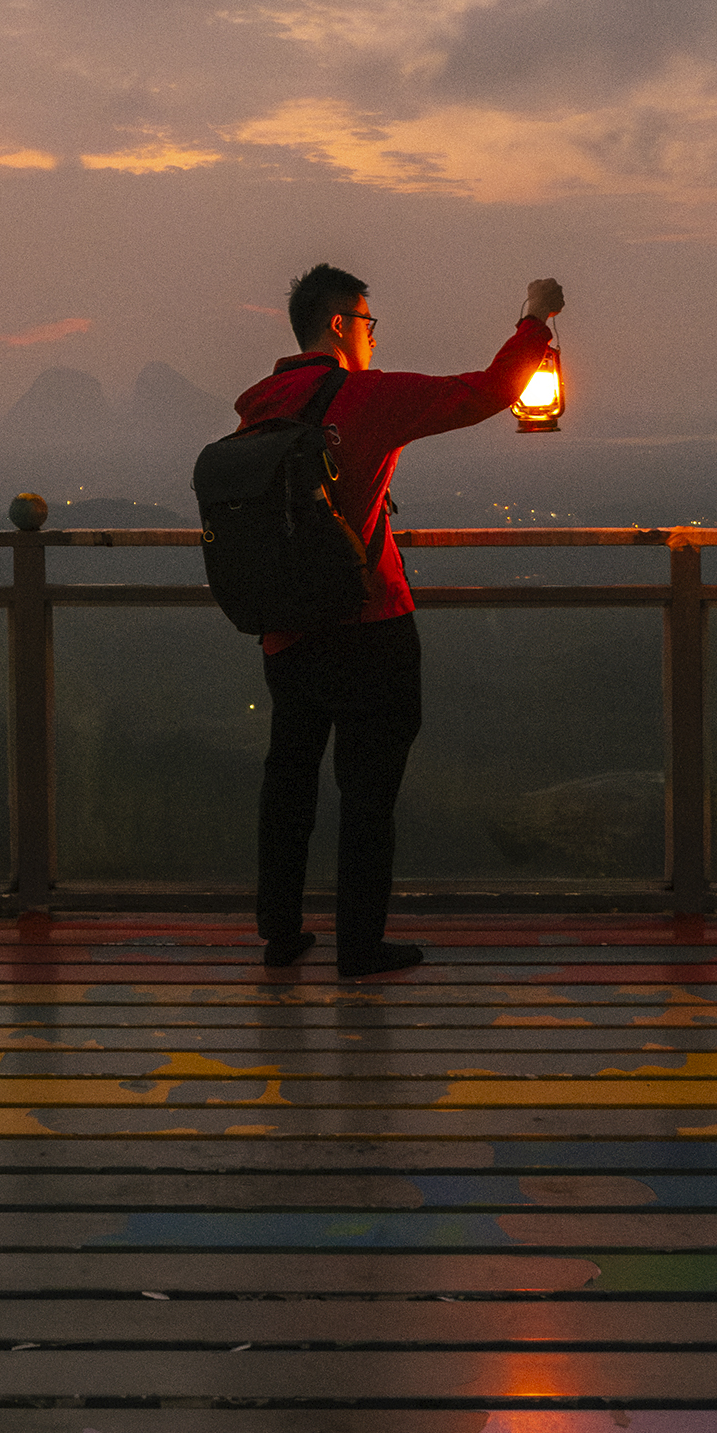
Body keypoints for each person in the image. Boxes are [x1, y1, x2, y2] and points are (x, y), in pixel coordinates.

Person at [236, 266, 565, 980]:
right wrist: (536, 317)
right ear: (337, 326)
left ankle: (281, 932)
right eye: (367, 323)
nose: (373, 339)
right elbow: (483, 392)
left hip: (284, 630)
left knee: (289, 781)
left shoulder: (262, 405)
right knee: (368, 794)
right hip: (367, 627)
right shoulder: (364, 398)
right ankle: (359, 946)